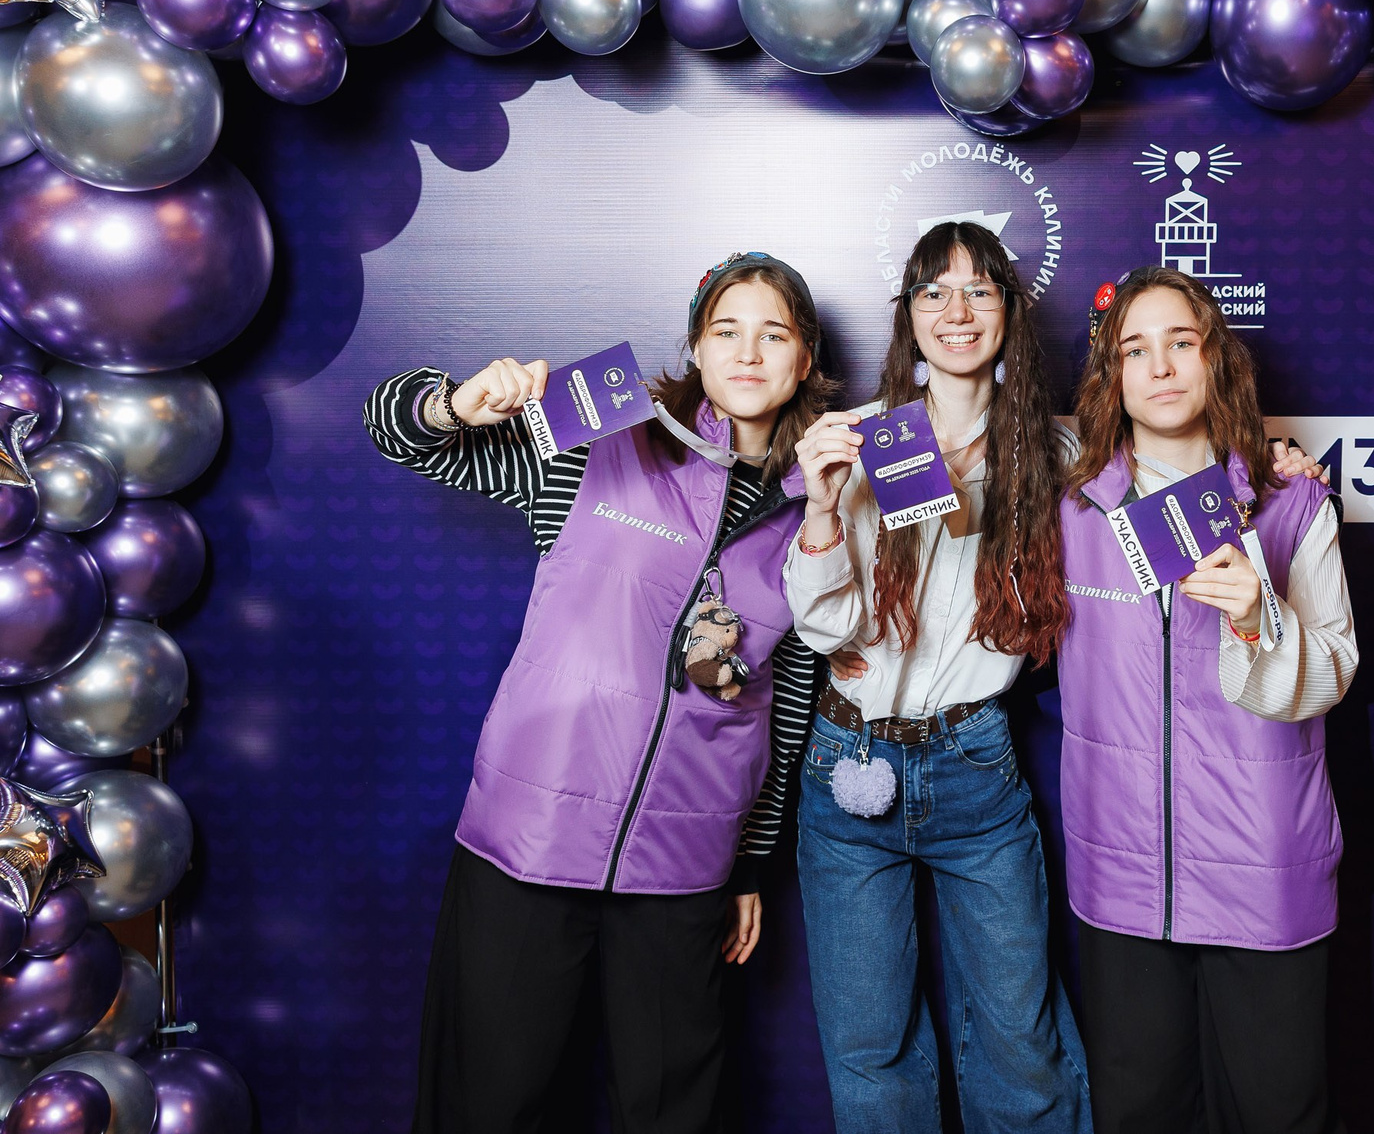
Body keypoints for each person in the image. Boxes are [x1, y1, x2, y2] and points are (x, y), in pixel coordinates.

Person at [363, 254, 833, 1134]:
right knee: (485, 1107)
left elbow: (788, 706)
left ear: (805, 360)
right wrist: (452, 405)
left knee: (673, 1116)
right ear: (695, 346)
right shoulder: (603, 438)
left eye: (774, 335)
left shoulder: (819, 507)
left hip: (687, 864)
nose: (747, 353)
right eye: (726, 330)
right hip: (529, 841)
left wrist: (749, 864)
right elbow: (396, 431)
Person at [784, 221, 1091, 1134]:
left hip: (973, 763)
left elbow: (1169, 484)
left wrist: (1277, 473)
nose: (957, 311)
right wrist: (822, 509)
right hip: (847, 762)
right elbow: (823, 628)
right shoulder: (858, 439)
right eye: (933, 292)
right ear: (909, 315)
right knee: (868, 1046)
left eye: (979, 291)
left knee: (1019, 1036)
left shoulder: (1058, 456)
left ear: (1010, 312)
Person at [1057, 267, 1359, 1134]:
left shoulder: (1291, 503)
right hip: (1121, 875)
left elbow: (1334, 670)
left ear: (1216, 358)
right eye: (1134, 350)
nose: (1159, 367)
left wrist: (1261, 619)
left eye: (1181, 343)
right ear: (1111, 375)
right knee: (1138, 1112)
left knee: (1277, 1113)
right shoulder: (1072, 510)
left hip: (1262, 870)